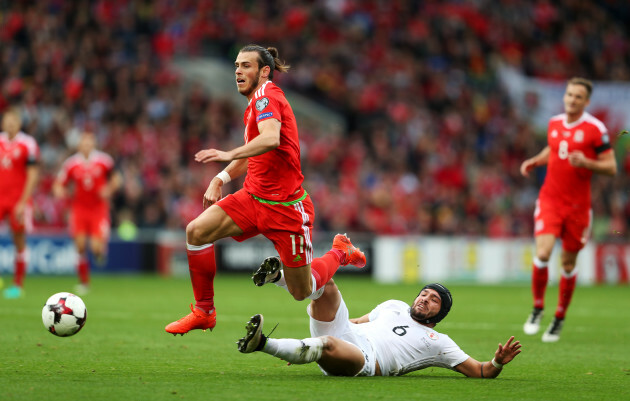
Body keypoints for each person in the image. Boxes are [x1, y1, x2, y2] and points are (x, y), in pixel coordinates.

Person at [164, 44, 366, 335]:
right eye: (236, 65)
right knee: (196, 231)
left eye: (246, 65)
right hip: (252, 198)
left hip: (286, 209)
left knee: (303, 290)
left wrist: (225, 153)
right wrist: (220, 178)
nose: (238, 71)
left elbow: (270, 139)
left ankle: (340, 252)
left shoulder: (265, 97)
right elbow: (253, 154)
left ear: (264, 71)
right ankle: (204, 311)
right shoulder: (256, 103)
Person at [237, 275, 521, 378]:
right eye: (424, 293)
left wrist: (496, 362)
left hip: (365, 359)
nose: (425, 299)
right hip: (349, 334)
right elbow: (353, 322)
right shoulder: (394, 305)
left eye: (434, 300)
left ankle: (261, 344)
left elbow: (479, 371)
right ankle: (278, 277)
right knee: (327, 287)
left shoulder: (438, 340)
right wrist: (303, 348)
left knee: (327, 345)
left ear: (440, 313)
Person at [520, 77, 617, 342]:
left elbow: (610, 167)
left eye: (578, 97)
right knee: (542, 252)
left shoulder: (595, 129)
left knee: (568, 263)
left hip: (578, 208)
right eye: (569, 94)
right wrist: (535, 161)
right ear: (565, 96)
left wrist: (587, 161)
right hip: (550, 200)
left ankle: (559, 316)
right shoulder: (554, 123)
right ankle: (538, 307)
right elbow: (553, 149)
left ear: (586, 102)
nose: (572, 99)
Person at [53, 131, 121, 295]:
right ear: (79, 145)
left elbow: (117, 179)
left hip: (98, 209)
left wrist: (109, 189)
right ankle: (84, 282)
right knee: (81, 245)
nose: (86, 145)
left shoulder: (104, 161)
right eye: (84, 142)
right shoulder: (71, 164)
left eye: (89, 142)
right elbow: (58, 183)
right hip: (79, 209)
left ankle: (100, 251)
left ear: (94, 144)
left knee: (96, 248)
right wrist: (60, 192)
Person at [0, 109, 40, 299]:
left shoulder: (28, 143)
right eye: (7, 120)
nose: (10, 124)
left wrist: (23, 202)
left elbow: (33, 174)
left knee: (18, 239)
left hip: (17, 199)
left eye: (14, 121)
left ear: (19, 123)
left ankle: (17, 284)